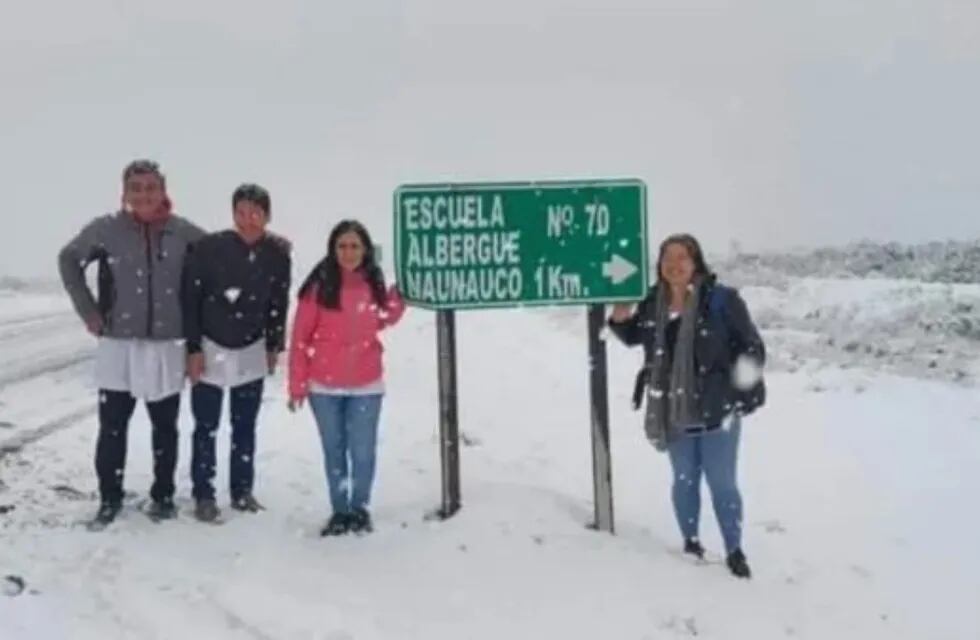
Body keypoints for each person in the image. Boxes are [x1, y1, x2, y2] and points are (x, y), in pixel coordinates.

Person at [608, 233, 766, 579]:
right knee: (684, 480)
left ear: (696, 263)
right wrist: (620, 318)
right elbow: (635, 335)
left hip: (717, 410)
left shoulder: (722, 301)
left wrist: (737, 392)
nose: (674, 264)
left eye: (682, 257)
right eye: (667, 257)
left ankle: (734, 550)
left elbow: (751, 347)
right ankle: (691, 542)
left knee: (722, 481)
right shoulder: (654, 302)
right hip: (673, 409)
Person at [57, 159, 206, 528]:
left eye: (150, 187)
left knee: (165, 427)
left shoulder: (182, 232)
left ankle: (164, 496)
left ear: (163, 191)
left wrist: (267, 242)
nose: (143, 195)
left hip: (166, 344)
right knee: (112, 427)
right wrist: (89, 311)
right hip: (117, 344)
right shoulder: (106, 230)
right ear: (124, 192)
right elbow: (68, 259)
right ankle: (110, 497)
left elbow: (222, 255)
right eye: (135, 188)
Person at [287, 220, 405, 536]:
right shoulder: (319, 287)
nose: (348, 252)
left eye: (354, 246)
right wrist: (297, 383)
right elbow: (300, 337)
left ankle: (360, 509)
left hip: (366, 384)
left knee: (363, 451)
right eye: (342, 246)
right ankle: (340, 511)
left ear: (365, 249)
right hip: (324, 387)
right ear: (332, 249)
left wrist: (402, 292)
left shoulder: (372, 283)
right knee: (334, 450)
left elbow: (383, 317)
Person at [181, 184, 292, 522]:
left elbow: (278, 303)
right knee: (206, 426)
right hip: (211, 345)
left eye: (255, 212)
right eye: (241, 212)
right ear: (233, 214)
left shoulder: (277, 255)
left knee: (244, 426)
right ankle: (204, 493)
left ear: (267, 216)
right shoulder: (208, 249)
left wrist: (274, 344)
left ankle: (242, 491)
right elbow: (190, 300)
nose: (248, 220)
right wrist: (194, 347)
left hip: (251, 347)